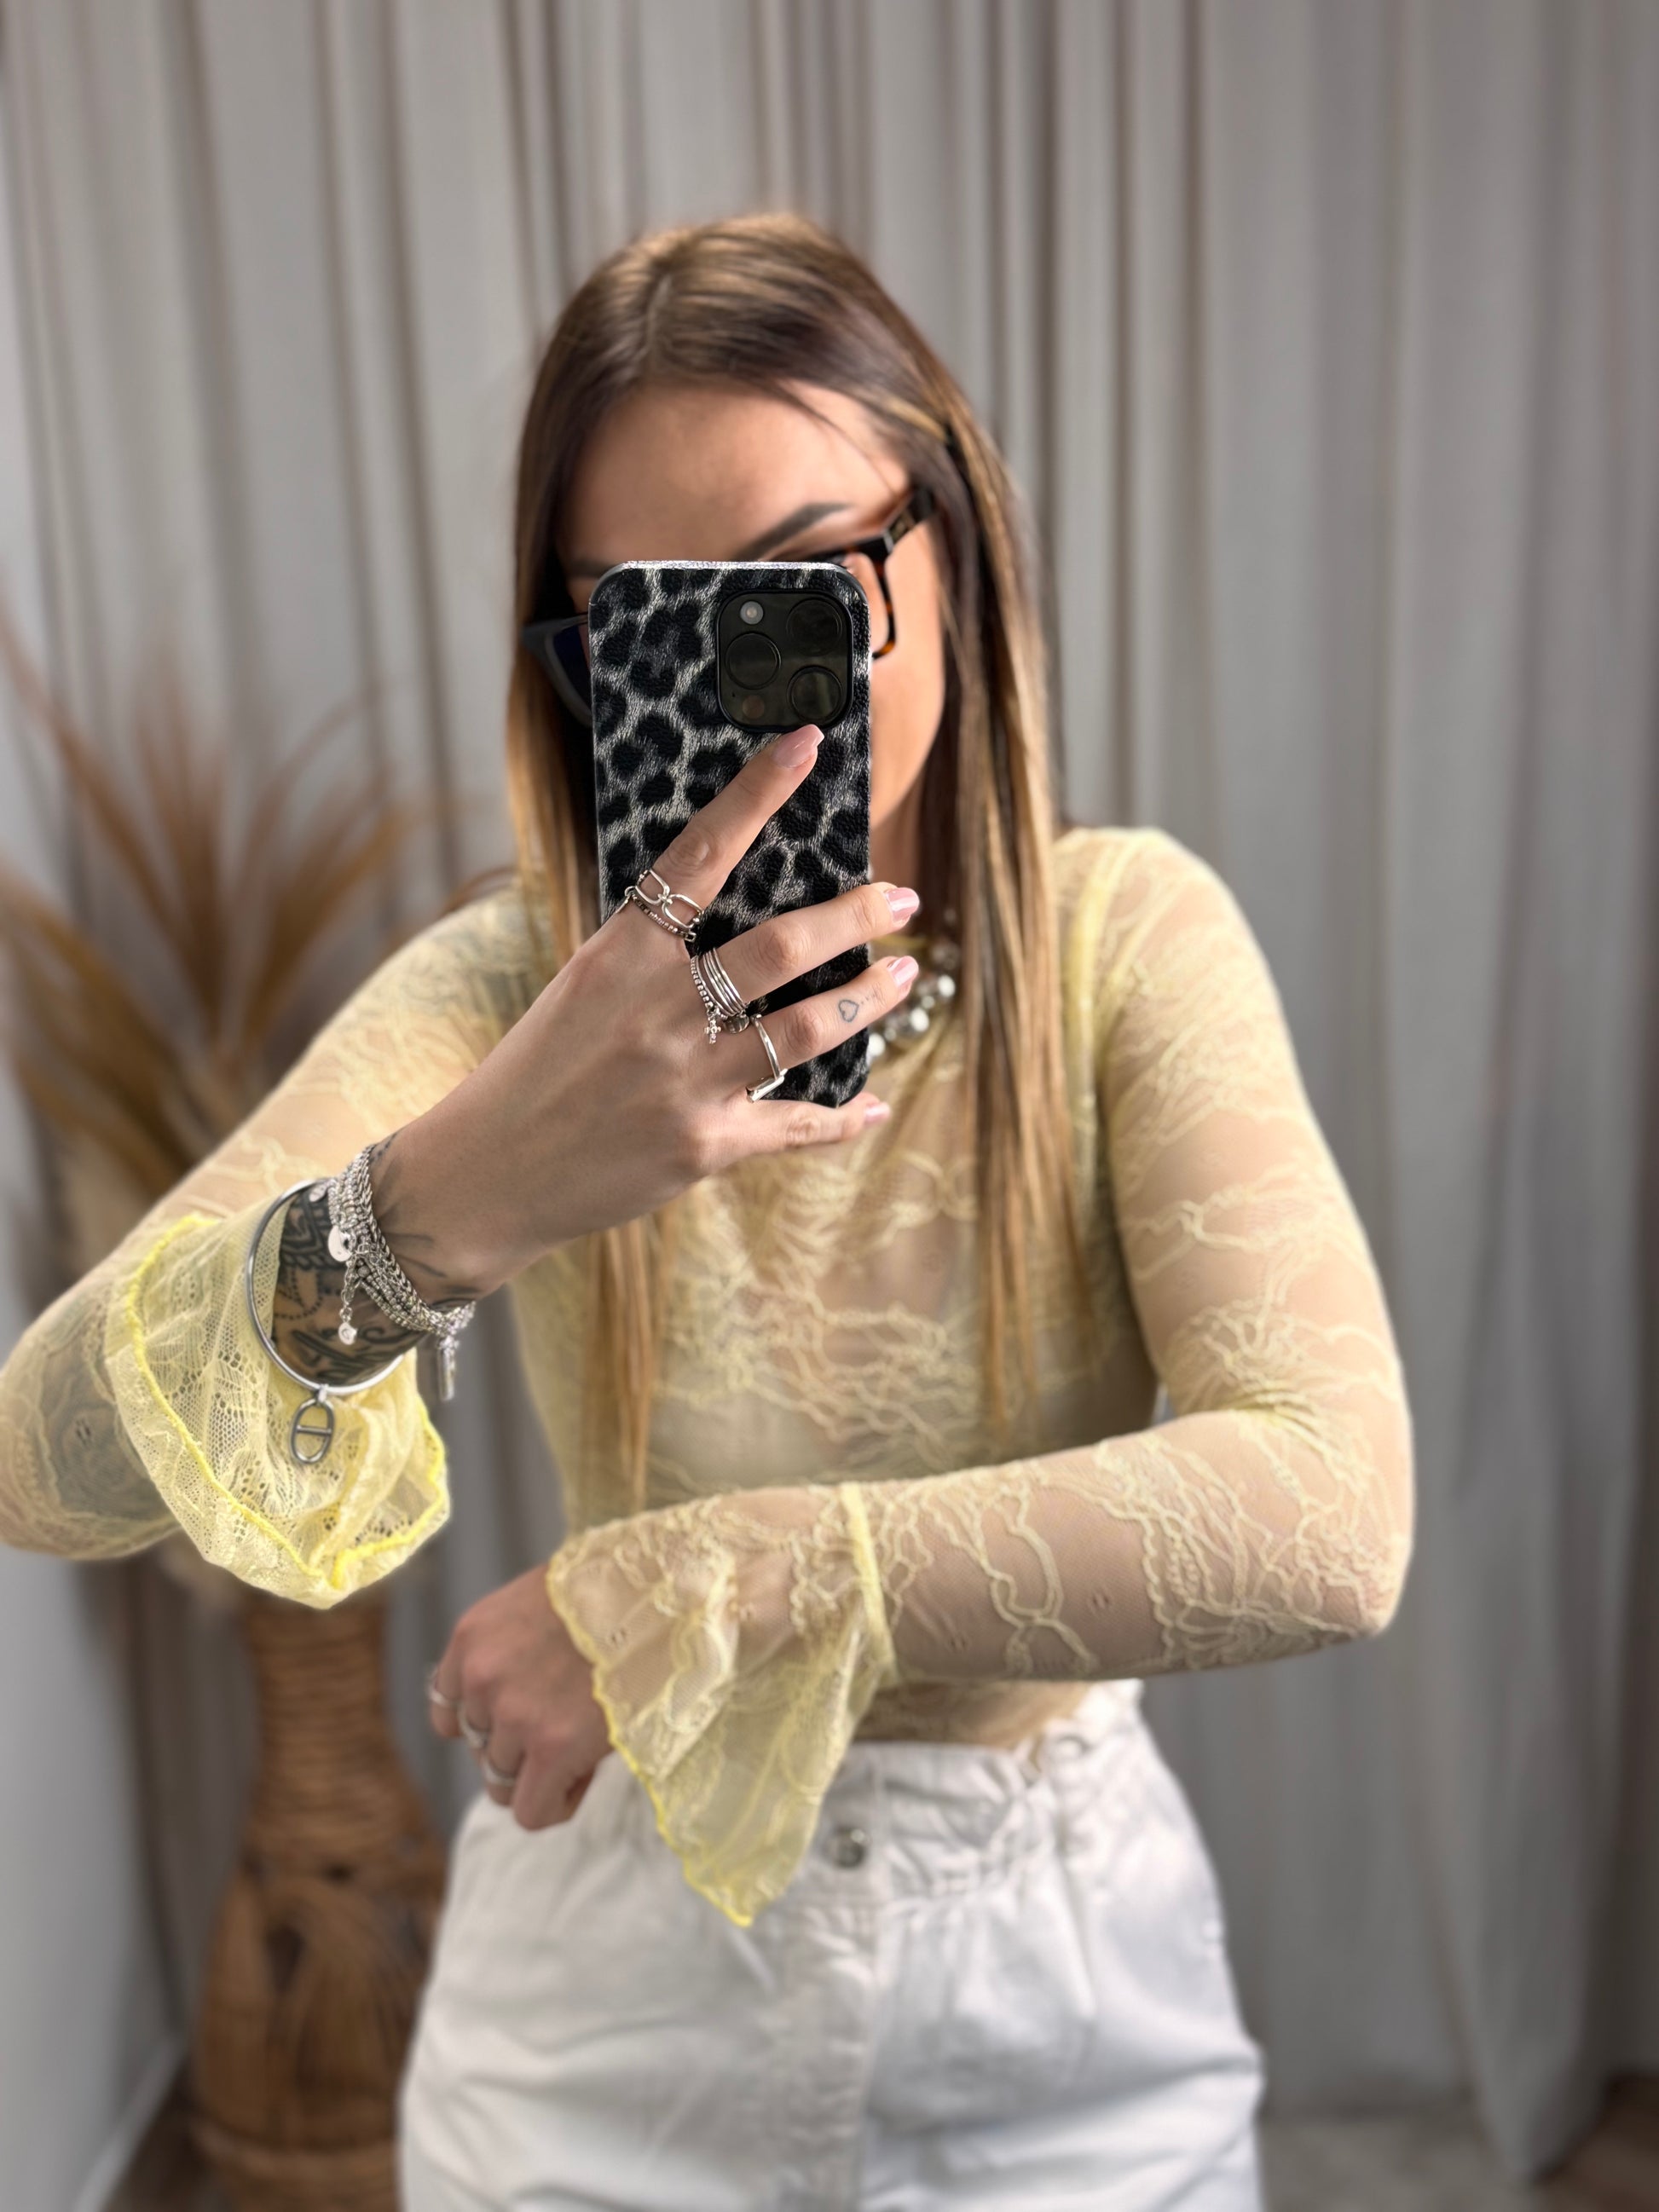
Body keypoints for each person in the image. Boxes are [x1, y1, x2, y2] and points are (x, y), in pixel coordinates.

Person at [0, 212, 1413, 2210]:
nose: (753, 694)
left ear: (950, 544)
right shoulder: (510, 1000)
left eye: (802, 587)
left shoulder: (1124, 945)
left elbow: (1330, 1513)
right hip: (599, 2036)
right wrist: (448, 1198)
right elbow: (44, 1462)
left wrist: (705, 1586)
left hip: (1062, 2030)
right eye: (649, 623)